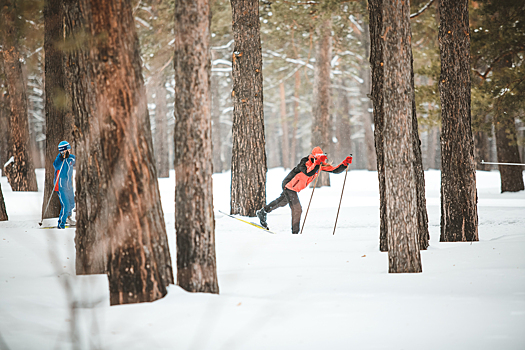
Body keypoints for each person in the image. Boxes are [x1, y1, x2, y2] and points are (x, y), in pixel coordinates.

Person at [256, 146, 352, 234]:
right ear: (313, 156)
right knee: (297, 209)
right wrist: (317, 163)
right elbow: (308, 172)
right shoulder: (305, 162)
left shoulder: (319, 165)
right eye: (317, 157)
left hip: (295, 188)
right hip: (289, 185)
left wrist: (344, 164)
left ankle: (263, 212)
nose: (318, 160)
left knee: (282, 202)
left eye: (320, 157)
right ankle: (295, 233)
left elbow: (334, 170)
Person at [53, 141, 76, 229]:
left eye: (69, 150)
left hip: (68, 185)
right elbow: (55, 165)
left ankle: (67, 219)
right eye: (67, 150)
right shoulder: (59, 160)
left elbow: (77, 161)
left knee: (72, 204)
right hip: (61, 186)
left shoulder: (71, 158)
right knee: (65, 206)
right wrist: (61, 157)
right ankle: (61, 224)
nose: (69, 152)